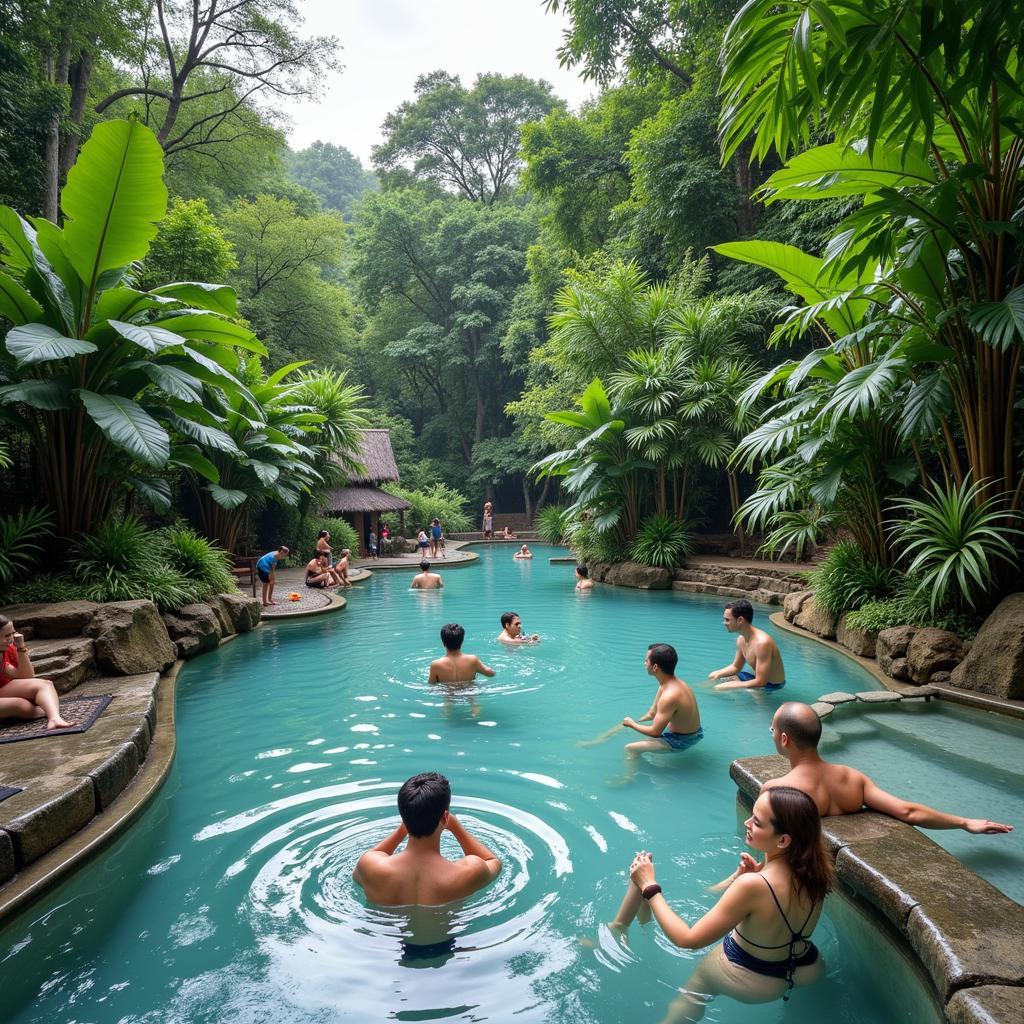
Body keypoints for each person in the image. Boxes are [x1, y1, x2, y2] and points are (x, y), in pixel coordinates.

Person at [611, 787, 831, 1021]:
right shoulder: (818, 872)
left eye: (756, 822)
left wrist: (649, 886)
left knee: (690, 996)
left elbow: (688, 940)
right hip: (807, 968)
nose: (747, 822)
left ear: (784, 840)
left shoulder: (754, 886)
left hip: (751, 979)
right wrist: (743, 877)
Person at [763, 702, 1013, 834]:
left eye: (773, 729)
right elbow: (908, 811)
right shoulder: (852, 778)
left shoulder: (776, 790)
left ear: (785, 739)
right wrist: (965, 823)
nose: (771, 734)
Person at [353, 772, 502, 906]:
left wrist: (400, 832)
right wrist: (456, 827)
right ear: (445, 817)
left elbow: (357, 875)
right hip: (447, 937)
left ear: (403, 818)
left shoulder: (369, 865)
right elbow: (493, 861)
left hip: (385, 935)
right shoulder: (469, 871)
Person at [610, 644, 702, 781]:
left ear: (655, 667)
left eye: (646, 660)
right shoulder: (670, 684)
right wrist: (632, 723)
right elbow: (652, 714)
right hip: (690, 733)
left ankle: (628, 778)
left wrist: (631, 724)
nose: (644, 663)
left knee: (630, 747)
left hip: (681, 741)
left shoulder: (669, 695)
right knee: (636, 735)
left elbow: (655, 732)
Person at [0, 614, 73, 730]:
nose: (12, 638)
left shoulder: (7, 648)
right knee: (20, 704)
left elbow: (26, 676)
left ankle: (54, 718)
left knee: (45, 685)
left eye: (13, 633)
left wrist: (21, 648)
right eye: (7, 636)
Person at [708, 600, 786, 691]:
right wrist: (717, 674)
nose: (724, 623)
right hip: (755, 678)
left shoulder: (762, 643)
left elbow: (761, 682)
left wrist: (730, 685)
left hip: (771, 686)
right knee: (717, 679)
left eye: (727, 620)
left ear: (740, 620)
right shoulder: (741, 639)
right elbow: (736, 667)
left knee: (722, 688)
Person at [428, 623, 496, 684]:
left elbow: (431, 684)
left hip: (448, 695)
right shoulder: (472, 660)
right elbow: (491, 673)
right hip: (469, 694)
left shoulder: (436, 664)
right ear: (462, 641)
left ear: (443, 643)